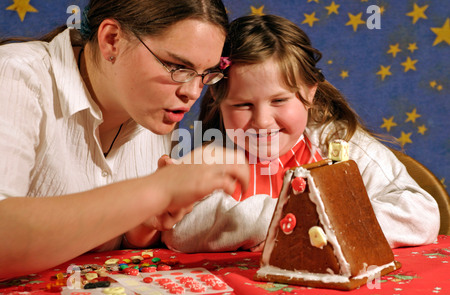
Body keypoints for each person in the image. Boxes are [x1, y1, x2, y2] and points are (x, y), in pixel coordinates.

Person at [0, 0, 250, 280]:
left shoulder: (153, 114)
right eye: (178, 66)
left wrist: (142, 228)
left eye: (206, 75)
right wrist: (153, 192)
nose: (192, 92)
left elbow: (113, 253)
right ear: (112, 40)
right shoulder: (13, 75)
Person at [162, 14, 440, 253]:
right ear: (218, 101)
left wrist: (322, 222)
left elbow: (420, 215)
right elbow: (177, 230)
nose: (262, 121)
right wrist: (287, 219)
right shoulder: (213, 155)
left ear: (309, 92)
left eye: (279, 101)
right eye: (243, 105)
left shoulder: (340, 144)